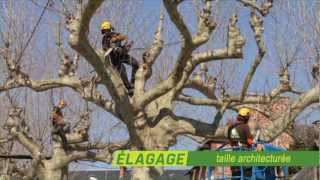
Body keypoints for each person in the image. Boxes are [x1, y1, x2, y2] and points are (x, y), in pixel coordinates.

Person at [100, 20, 139, 96]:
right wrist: (111, 47)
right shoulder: (104, 39)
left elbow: (124, 37)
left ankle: (132, 83)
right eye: (104, 31)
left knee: (136, 64)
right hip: (115, 59)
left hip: (122, 55)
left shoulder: (116, 34)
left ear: (109, 29)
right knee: (123, 73)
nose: (105, 32)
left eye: (106, 30)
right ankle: (129, 89)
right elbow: (104, 49)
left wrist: (116, 39)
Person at [227, 107, 254, 179]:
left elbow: (231, 143)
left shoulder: (231, 128)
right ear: (246, 117)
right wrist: (255, 144)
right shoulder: (245, 126)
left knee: (236, 176)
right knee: (247, 176)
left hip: (234, 159)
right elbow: (249, 141)